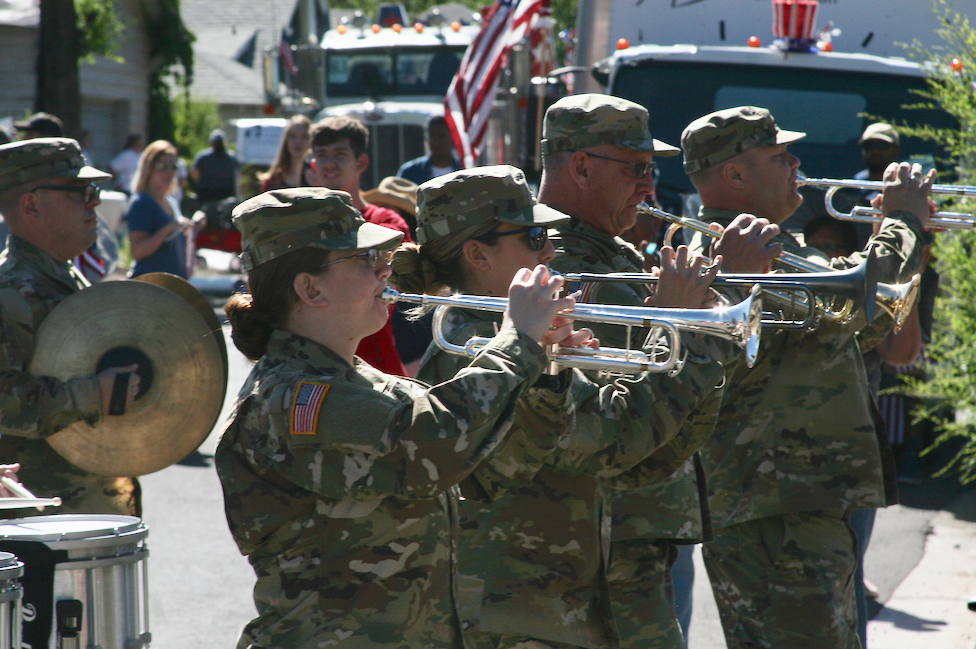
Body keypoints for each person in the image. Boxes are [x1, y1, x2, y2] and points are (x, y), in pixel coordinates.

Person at [216, 186, 573, 648]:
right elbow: (431, 445)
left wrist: (548, 367)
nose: (386, 269)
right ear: (310, 288)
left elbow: (498, 470)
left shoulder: (367, 382)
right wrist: (516, 343)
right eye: (364, 260)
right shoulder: (293, 399)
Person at [393, 164, 731, 649]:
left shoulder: (533, 340)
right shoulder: (473, 348)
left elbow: (645, 463)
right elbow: (614, 441)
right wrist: (679, 326)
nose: (551, 249)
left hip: (582, 602)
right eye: (533, 237)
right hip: (522, 618)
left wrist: (691, 347)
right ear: (477, 254)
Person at [681, 105, 932, 649]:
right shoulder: (736, 255)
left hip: (795, 506)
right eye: (778, 155)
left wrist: (902, 235)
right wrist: (904, 220)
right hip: (778, 513)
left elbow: (859, 328)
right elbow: (867, 299)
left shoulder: (775, 249)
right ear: (735, 175)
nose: (797, 162)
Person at [537, 93, 732, 648]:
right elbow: (616, 417)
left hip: (636, 531)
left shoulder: (614, 255)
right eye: (638, 169)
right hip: (605, 541)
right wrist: (693, 311)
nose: (650, 187)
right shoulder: (562, 262)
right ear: (580, 166)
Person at [0, 138, 141, 514]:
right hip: (40, 522)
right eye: (79, 191)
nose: (94, 201)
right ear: (31, 205)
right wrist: (93, 393)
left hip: (87, 511)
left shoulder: (63, 276)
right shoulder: (6, 292)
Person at [309, 115, 412, 375]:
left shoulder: (386, 222)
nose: (329, 163)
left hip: (379, 374)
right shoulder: (301, 227)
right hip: (313, 370)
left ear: (361, 162)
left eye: (340, 154)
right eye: (322, 155)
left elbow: (391, 279)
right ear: (313, 164)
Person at [127, 140, 205, 279]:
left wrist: (193, 228)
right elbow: (138, 251)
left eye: (173, 166)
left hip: (172, 285)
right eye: (162, 166)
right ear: (149, 168)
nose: (168, 172)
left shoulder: (171, 202)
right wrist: (167, 229)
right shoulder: (142, 202)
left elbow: (173, 244)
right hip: (149, 285)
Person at [396, 115, 462, 184]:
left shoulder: (464, 170)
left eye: (442, 136)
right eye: (432, 136)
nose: (436, 142)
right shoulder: (410, 172)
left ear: (453, 138)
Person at [259, 115, 312, 192]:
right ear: (286, 140)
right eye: (293, 136)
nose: (298, 141)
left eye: (304, 137)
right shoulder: (272, 181)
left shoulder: (317, 179)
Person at [191, 129, 239, 202]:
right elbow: (238, 175)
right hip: (226, 193)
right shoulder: (231, 157)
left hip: (206, 193)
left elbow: (194, 173)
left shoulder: (203, 156)